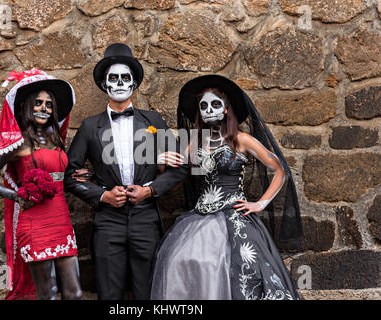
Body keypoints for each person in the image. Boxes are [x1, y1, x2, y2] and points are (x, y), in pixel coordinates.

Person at [150, 75, 303, 300]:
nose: (209, 110)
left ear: (225, 109)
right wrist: (161, 164)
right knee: (178, 261)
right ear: (199, 112)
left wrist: (260, 203)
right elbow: (176, 183)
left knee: (237, 268)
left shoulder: (242, 139)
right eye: (203, 106)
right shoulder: (194, 142)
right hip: (198, 221)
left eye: (215, 104)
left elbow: (281, 171)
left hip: (235, 217)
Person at [64, 43, 188, 300]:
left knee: (150, 291)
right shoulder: (89, 127)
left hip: (146, 220)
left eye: (125, 78)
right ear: (104, 84)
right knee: (109, 293)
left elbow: (181, 168)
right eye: (113, 78)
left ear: (134, 84)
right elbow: (70, 175)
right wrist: (101, 195)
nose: (119, 83)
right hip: (108, 221)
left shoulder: (153, 122)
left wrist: (150, 190)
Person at [0, 68, 82, 300]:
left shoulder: (56, 139)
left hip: (61, 219)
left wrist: (77, 176)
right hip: (34, 222)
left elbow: (59, 172)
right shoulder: (18, 144)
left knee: (74, 293)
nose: (44, 108)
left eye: (48, 104)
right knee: (49, 292)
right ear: (25, 106)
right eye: (38, 103)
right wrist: (16, 195)